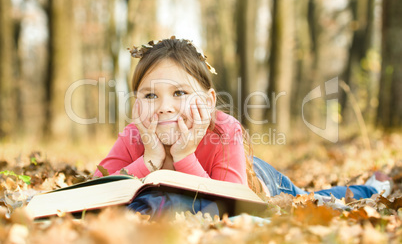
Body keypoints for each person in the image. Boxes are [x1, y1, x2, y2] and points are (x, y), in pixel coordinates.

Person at [94, 37, 391, 211]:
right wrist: (148, 161)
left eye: (179, 93)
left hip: (257, 180)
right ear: (136, 102)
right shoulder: (136, 134)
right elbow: (92, 190)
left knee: (310, 199)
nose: (164, 107)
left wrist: (184, 157)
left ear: (209, 101)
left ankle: (371, 189)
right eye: (149, 95)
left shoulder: (224, 130)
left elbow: (232, 205)